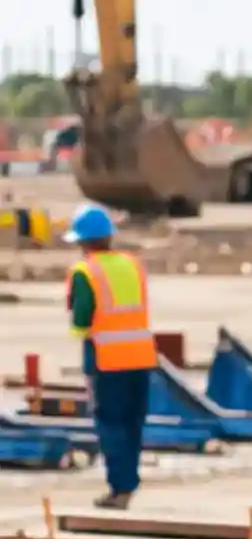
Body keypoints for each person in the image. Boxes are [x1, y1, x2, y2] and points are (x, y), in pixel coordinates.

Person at [64, 203, 157, 509]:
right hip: (141, 356)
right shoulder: (132, 264)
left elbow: (81, 320)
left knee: (111, 425)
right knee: (133, 423)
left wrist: (79, 331)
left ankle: (119, 488)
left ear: (83, 241)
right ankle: (127, 484)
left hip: (106, 358)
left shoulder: (85, 271)